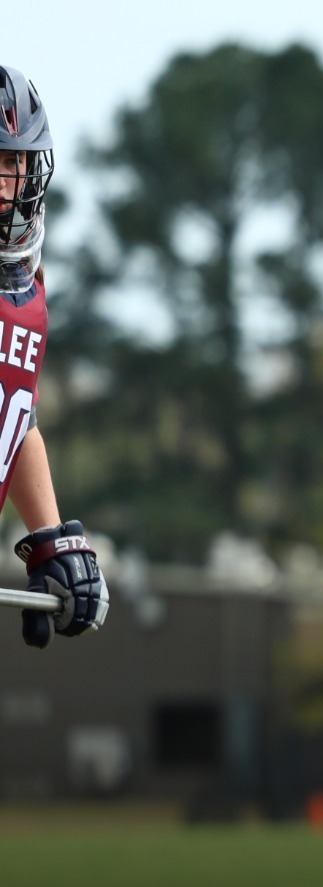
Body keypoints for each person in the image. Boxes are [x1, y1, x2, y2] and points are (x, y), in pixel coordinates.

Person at [0, 65, 108, 654]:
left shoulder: (27, 284)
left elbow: (16, 417)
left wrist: (46, 536)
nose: (3, 182)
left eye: (12, 163)